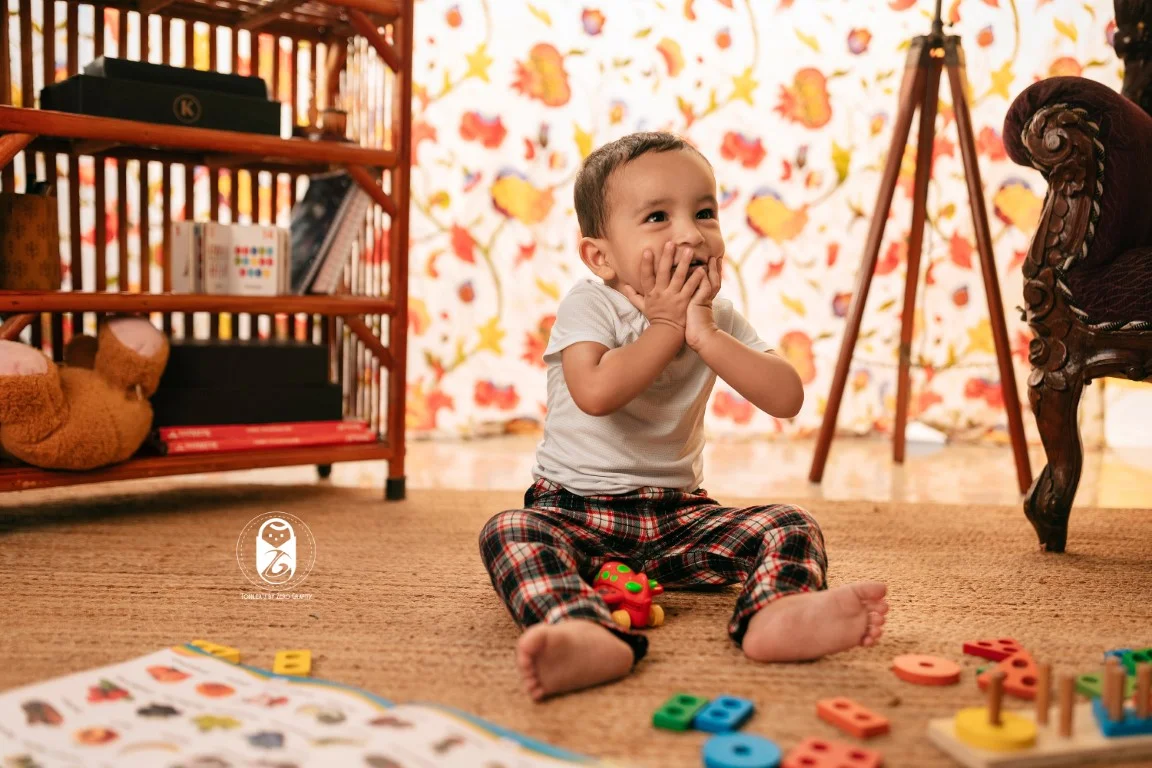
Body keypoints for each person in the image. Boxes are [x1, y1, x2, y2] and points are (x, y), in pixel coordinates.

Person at [479, 131, 888, 701]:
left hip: (679, 518)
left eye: (704, 213)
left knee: (790, 524)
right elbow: (595, 392)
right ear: (601, 256)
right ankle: (584, 631)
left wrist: (705, 334)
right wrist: (668, 328)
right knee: (510, 532)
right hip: (575, 512)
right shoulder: (592, 304)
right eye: (657, 217)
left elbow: (786, 398)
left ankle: (774, 614)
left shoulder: (715, 317)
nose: (692, 234)